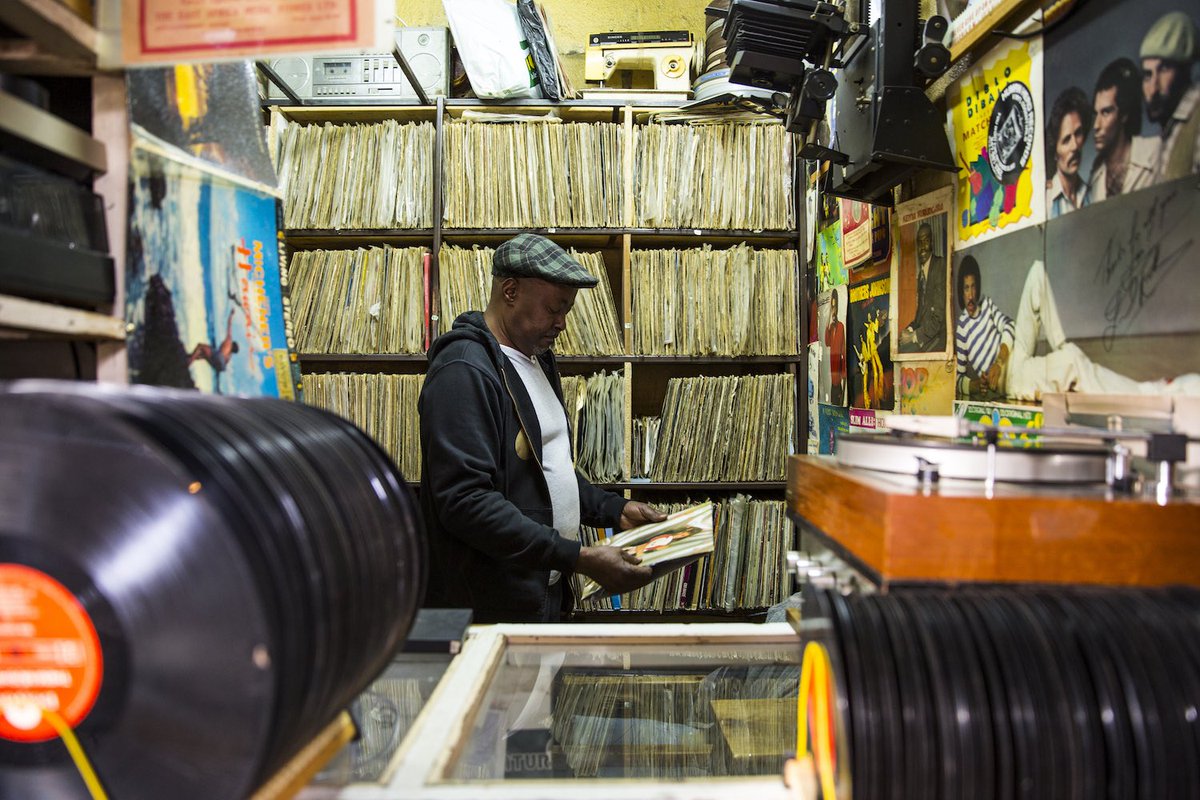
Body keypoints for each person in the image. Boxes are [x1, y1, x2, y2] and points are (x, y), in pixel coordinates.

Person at [418, 233, 664, 623]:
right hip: (491, 605)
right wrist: (577, 557)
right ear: (511, 291)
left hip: (540, 587)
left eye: (567, 310)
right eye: (554, 308)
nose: (562, 323)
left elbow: (549, 473)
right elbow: (465, 502)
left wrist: (615, 510)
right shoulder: (464, 369)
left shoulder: (535, 360)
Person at [955, 256, 1200, 401]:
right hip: (1009, 381)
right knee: (1072, 362)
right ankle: (1152, 393)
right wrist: (978, 384)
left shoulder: (986, 305)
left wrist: (999, 360)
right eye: (966, 288)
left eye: (973, 286)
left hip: (1010, 359)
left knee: (1038, 270)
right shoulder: (963, 329)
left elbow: (1009, 327)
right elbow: (958, 379)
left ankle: (1063, 345)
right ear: (960, 292)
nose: (971, 293)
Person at [1088, 58, 1159, 202]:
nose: (1096, 125)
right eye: (1096, 114)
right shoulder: (1094, 177)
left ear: (1124, 115)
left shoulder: (1155, 152)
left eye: (1106, 112)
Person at [1141, 12, 1200, 183]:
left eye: (1164, 69)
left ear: (1184, 72)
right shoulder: (1169, 129)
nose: (1153, 88)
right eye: (1147, 75)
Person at [898, 222, 946, 353]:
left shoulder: (940, 266)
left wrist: (913, 336)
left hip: (938, 338)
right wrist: (908, 331)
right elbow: (919, 317)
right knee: (896, 344)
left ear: (932, 243)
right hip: (925, 335)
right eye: (920, 243)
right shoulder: (922, 275)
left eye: (926, 241)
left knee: (902, 352)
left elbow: (938, 319)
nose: (923, 247)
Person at [1045, 87, 1093, 218]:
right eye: (1066, 140)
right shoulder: (1046, 202)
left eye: (1078, 134)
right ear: (1054, 152)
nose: (1075, 146)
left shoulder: (1093, 194)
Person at [824, 296, 846, 405]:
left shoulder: (841, 326)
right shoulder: (831, 327)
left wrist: (844, 370)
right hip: (832, 365)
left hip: (838, 364)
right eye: (832, 307)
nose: (833, 310)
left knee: (838, 392)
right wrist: (828, 323)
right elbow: (827, 343)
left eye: (835, 307)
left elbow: (843, 348)